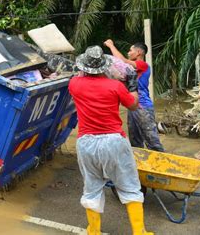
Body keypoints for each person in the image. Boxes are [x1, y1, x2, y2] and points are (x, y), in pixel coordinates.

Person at [69, 46, 153, 235]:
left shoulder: (74, 84)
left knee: (92, 187)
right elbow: (133, 105)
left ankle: (94, 231)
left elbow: (79, 79)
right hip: (114, 142)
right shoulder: (115, 86)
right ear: (104, 67)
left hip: (86, 143)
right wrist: (132, 86)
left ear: (84, 66)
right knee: (129, 186)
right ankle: (139, 232)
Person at [104, 39, 164, 152]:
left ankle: (163, 165)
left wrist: (111, 46)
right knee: (135, 141)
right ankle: (139, 166)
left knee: (152, 140)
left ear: (139, 53)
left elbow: (122, 61)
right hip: (133, 105)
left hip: (143, 107)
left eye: (131, 50)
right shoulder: (130, 69)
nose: (128, 52)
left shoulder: (143, 65)